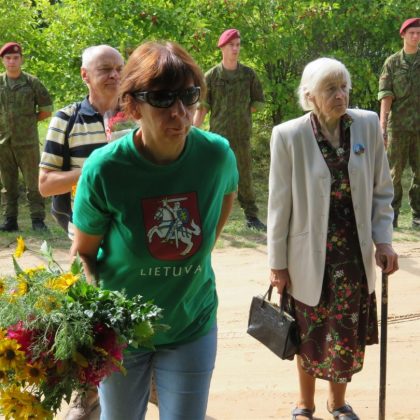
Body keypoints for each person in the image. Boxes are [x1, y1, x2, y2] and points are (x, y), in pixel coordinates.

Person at [70, 40, 238, 420]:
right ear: (132, 106)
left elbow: (221, 206)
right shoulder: (105, 169)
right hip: (122, 332)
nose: (179, 112)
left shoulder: (216, 156)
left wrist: (192, 256)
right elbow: (85, 252)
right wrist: (101, 319)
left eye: (188, 96)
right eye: (162, 98)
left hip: (190, 323)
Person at [267, 58, 399, 420]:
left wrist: (384, 241)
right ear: (309, 95)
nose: (340, 95)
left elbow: (382, 190)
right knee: (307, 330)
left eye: (344, 87)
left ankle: (337, 402)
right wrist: (277, 263)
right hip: (307, 254)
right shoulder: (288, 136)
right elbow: (278, 204)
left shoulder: (367, 125)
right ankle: (305, 403)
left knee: (344, 331)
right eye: (330, 89)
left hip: (353, 253)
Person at [39, 44, 124, 420]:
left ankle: (145, 383)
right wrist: (93, 168)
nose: (114, 75)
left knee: (135, 309)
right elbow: (45, 185)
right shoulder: (66, 118)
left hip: (133, 233)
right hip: (86, 236)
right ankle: (85, 396)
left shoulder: (137, 112)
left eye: (119, 68)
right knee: (92, 318)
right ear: (85, 75)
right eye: (105, 69)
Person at [193, 28, 266, 231]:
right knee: (215, 175)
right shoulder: (211, 77)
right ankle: (211, 215)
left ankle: (252, 217)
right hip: (219, 138)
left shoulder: (248, 75)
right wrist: (191, 132)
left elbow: (258, 102)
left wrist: (241, 113)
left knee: (245, 176)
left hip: (242, 136)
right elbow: (202, 108)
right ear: (222, 48)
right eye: (231, 45)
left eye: (237, 45)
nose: (235, 49)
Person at [0, 42, 53, 232]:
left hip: (27, 143)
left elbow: (46, 110)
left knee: (34, 183)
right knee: (8, 185)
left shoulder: (32, 82)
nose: (12, 61)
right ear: (3, 61)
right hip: (3, 143)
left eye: (15, 58)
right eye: (8, 58)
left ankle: (37, 220)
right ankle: (10, 220)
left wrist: (28, 122)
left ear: (21, 59)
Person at [378, 17, 420, 229]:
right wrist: (382, 127)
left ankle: (417, 215)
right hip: (398, 127)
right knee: (394, 173)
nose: (416, 36)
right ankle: (391, 216)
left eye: (419, 33)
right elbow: (386, 96)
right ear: (403, 34)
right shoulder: (392, 63)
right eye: (412, 32)